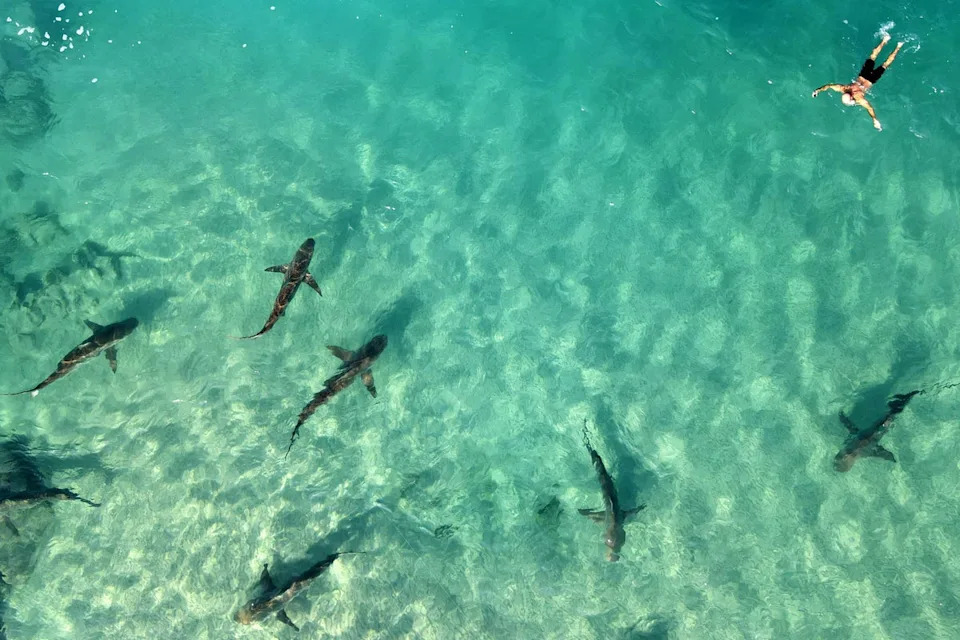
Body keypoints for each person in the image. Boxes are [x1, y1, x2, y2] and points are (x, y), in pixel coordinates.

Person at [812, 34, 904, 131]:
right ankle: (885, 40)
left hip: (871, 80)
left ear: (851, 97)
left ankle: (898, 46)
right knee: (873, 56)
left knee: (885, 65)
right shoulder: (843, 88)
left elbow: (870, 108)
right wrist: (818, 90)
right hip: (863, 75)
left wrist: (874, 119)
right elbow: (829, 86)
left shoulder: (859, 99)